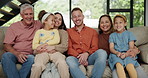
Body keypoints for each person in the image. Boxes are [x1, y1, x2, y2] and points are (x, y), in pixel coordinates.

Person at [1, 3, 43, 78]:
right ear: (21, 15)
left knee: (32, 59)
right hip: (14, 54)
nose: (29, 16)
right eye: (26, 14)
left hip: (29, 56)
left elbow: (49, 23)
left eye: (31, 14)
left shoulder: (38, 24)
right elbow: (6, 45)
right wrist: (17, 54)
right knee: (6, 56)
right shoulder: (14, 27)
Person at [66, 7, 107, 78]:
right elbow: (69, 48)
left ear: (83, 16)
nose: (77, 18)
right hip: (76, 57)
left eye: (79, 16)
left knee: (102, 52)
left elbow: (95, 47)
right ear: (72, 19)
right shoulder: (68, 32)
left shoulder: (92, 31)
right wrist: (80, 57)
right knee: (69, 60)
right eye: (74, 17)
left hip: (90, 57)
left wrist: (86, 54)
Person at [30, 11, 69, 78]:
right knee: (37, 65)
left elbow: (58, 41)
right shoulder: (39, 32)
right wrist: (42, 47)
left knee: (62, 63)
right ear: (45, 21)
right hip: (42, 52)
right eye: (53, 20)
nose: (55, 22)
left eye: (60, 19)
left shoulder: (57, 31)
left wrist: (45, 45)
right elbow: (34, 46)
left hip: (54, 53)